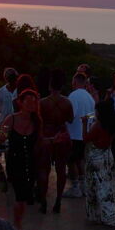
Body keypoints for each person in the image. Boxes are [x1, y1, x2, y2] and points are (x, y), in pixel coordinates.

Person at [1, 89, 41, 230]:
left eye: (34, 101)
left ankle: (17, 224)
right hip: (14, 162)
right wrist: (2, 133)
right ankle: (16, 226)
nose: (31, 104)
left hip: (30, 163)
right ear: (20, 102)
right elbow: (0, 138)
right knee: (19, 195)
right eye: (28, 101)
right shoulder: (11, 119)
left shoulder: (36, 122)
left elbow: (40, 143)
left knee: (24, 197)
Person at [38, 69, 73, 214]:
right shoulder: (67, 102)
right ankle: (58, 200)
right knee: (61, 169)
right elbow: (70, 119)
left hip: (47, 134)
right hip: (62, 134)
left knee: (44, 170)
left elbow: (39, 120)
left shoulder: (42, 102)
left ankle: (43, 200)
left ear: (50, 86)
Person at [82, 100, 115, 227]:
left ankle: (97, 215)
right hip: (107, 155)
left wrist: (84, 123)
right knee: (107, 186)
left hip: (97, 157)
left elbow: (86, 138)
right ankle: (110, 216)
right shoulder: (112, 124)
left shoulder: (99, 125)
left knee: (95, 186)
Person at [63, 72, 95, 198]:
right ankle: (83, 185)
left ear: (75, 82)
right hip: (85, 134)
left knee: (70, 161)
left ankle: (75, 187)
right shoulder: (90, 97)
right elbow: (92, 115)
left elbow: (71, 115)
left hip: (74, 134)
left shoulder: (73, 96)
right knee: (80, 159)